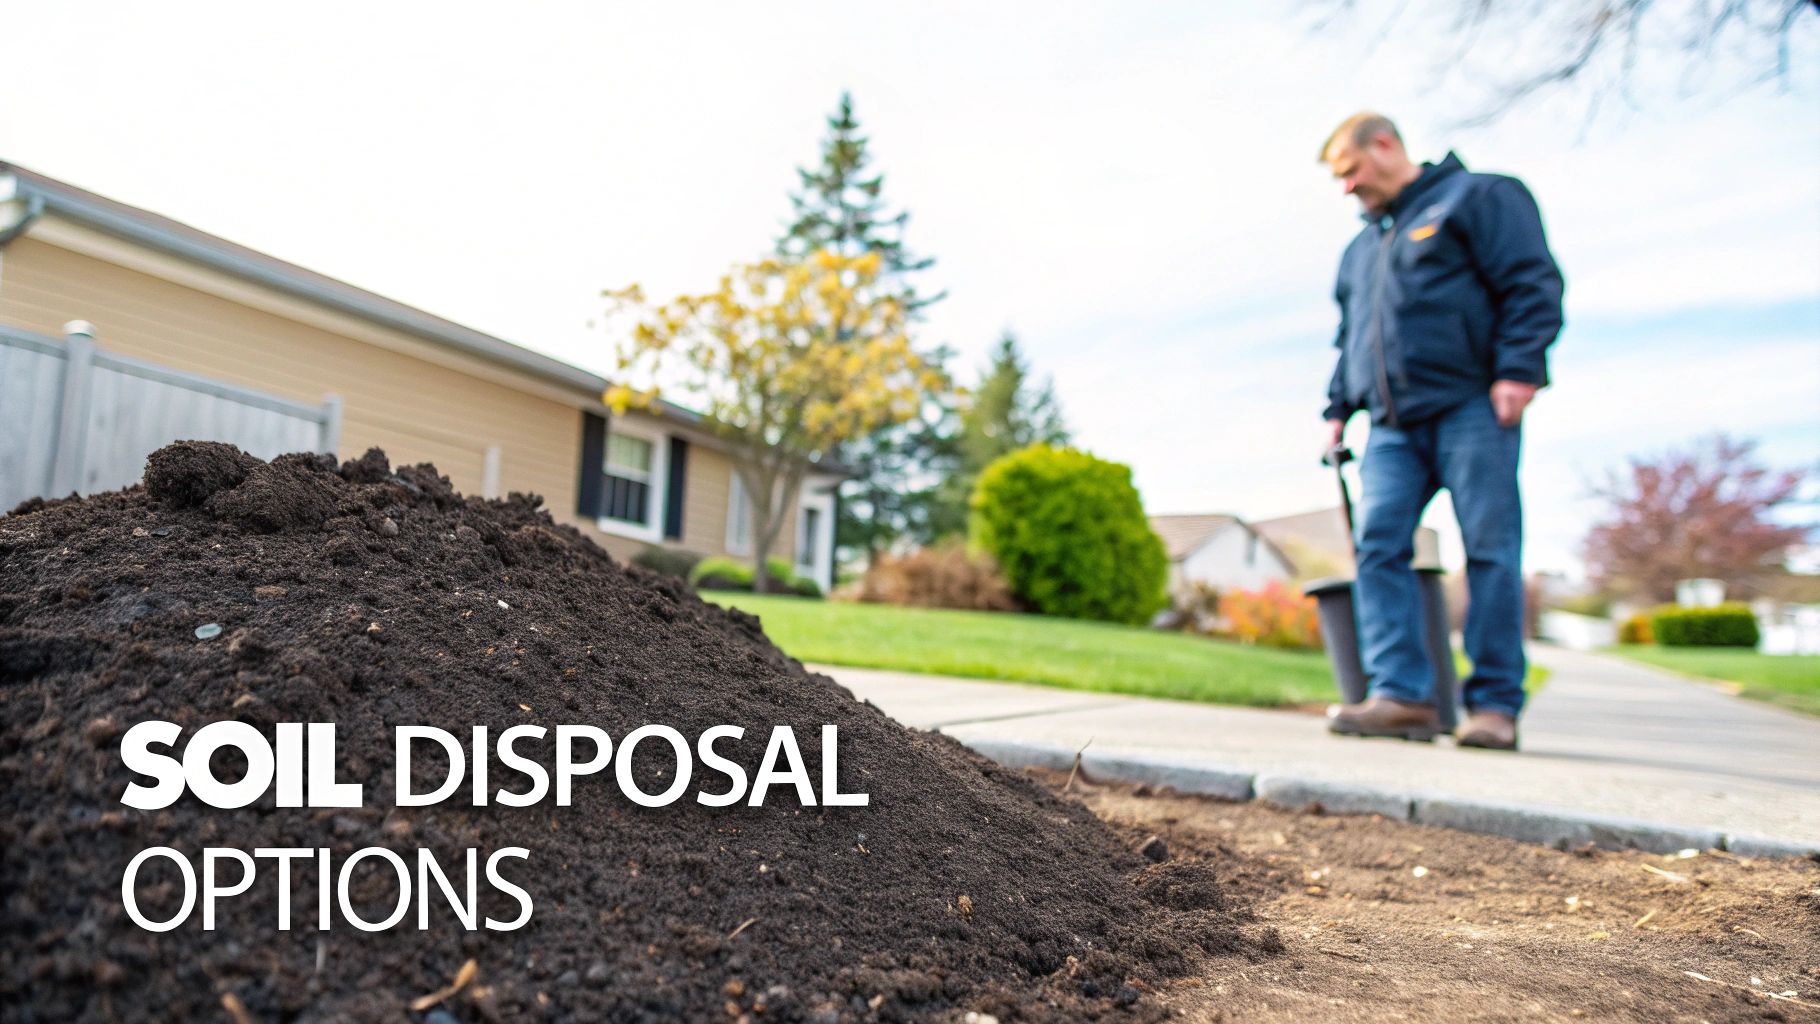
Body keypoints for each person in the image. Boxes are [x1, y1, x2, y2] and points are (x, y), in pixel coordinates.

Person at [1317, 112, 1564, 751]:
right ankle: (1402, 696)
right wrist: (1337, 409)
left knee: (1488, 548)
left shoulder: (1478, 197)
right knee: (1377, 547)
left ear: (1386, 144)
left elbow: (1532, 283)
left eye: (1351, 171)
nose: (1347, 188)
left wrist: (1518, 369)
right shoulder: (1360, 250)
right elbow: (1353, 341)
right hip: (1393, 428)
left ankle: (1494, 707)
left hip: (1472, 408)